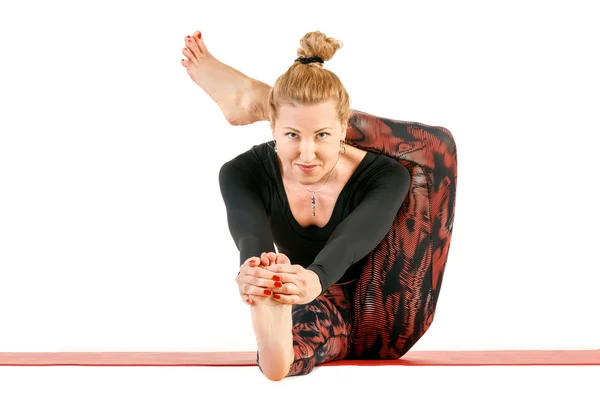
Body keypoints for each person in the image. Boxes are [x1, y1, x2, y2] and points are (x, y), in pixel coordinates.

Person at [181, 30, 411, 381]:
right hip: (316, 304)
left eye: (322, 135)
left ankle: (257, 98)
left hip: (391, 311)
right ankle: (283, 350)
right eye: (291, 135)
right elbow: (251, 239)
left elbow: (350, 241)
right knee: (293, 338)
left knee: (432, 155)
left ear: (344, 129)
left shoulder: (386, 175)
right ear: (272, 128)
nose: (306, 155)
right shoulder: (242, 173)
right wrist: (258, 275)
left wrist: (316, 278)